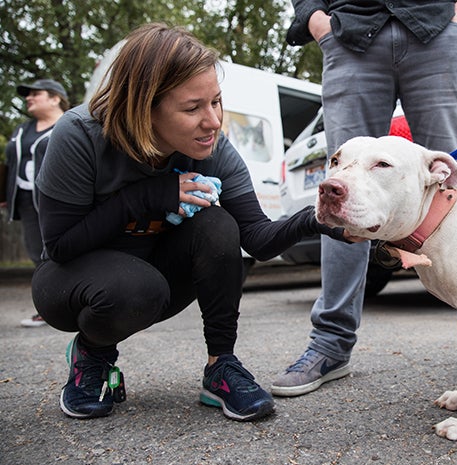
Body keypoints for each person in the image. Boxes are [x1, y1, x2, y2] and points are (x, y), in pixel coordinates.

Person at [31, 23, 351, 421]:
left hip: (156, 274)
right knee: (135, 288)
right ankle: (92, 353)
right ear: (143, 106)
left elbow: (257, 238)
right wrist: (148, 196)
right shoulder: (80, 134)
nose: (213, 120)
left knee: (219, 226)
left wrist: (318, 219)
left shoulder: (213, 146)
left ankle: (222, 366)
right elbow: (60, 245)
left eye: (216, 102)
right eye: (192, 108)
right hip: (72, 281)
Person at [271, 0, 457, 397]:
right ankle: (330, 343)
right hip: (348, 33)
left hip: (438, 27)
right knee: (344, 196)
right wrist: (319, 23)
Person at [2, 79, 69, 327]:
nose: (29, 98)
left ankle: (68, 304)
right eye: (28, 95)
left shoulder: (70, 125)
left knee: (61, 251)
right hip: (26, 200)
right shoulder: (22, 130)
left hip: (60, 200)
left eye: (36, 94)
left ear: (55, 98)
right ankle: (48, 308)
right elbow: (11, 165)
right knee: (36, 253)